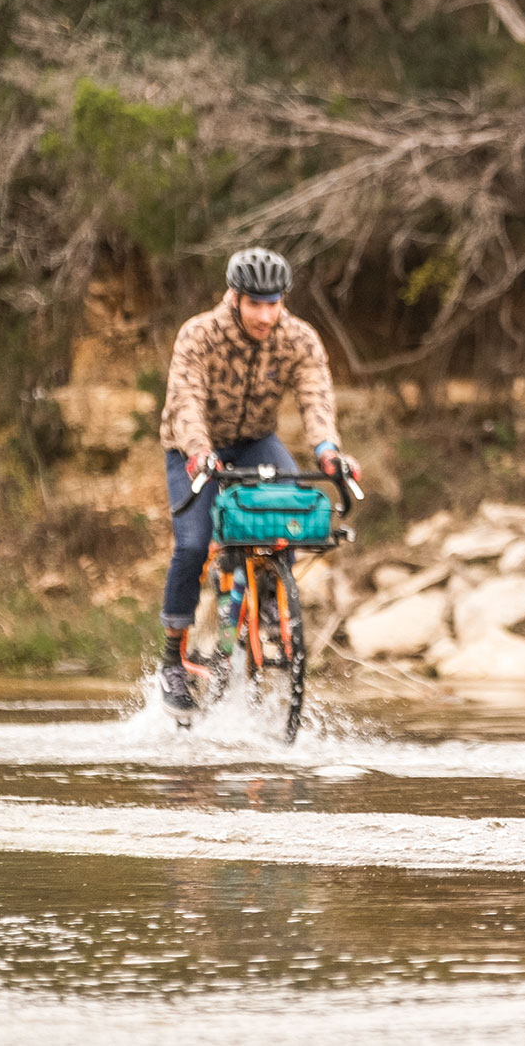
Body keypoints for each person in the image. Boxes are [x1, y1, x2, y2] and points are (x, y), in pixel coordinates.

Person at [154, 247, 361, 717]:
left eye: (274, 303)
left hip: (254, 443)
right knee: (192, 545)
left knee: (290, 510)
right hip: (193, 447)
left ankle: (270, 597)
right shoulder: (199, 335)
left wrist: (329, 450)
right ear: (234, 297)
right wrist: (199, 451)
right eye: (256, 304)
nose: (266, 315)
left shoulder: (298, 338)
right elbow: (185, 400)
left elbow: (315, 400)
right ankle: (172, 660)